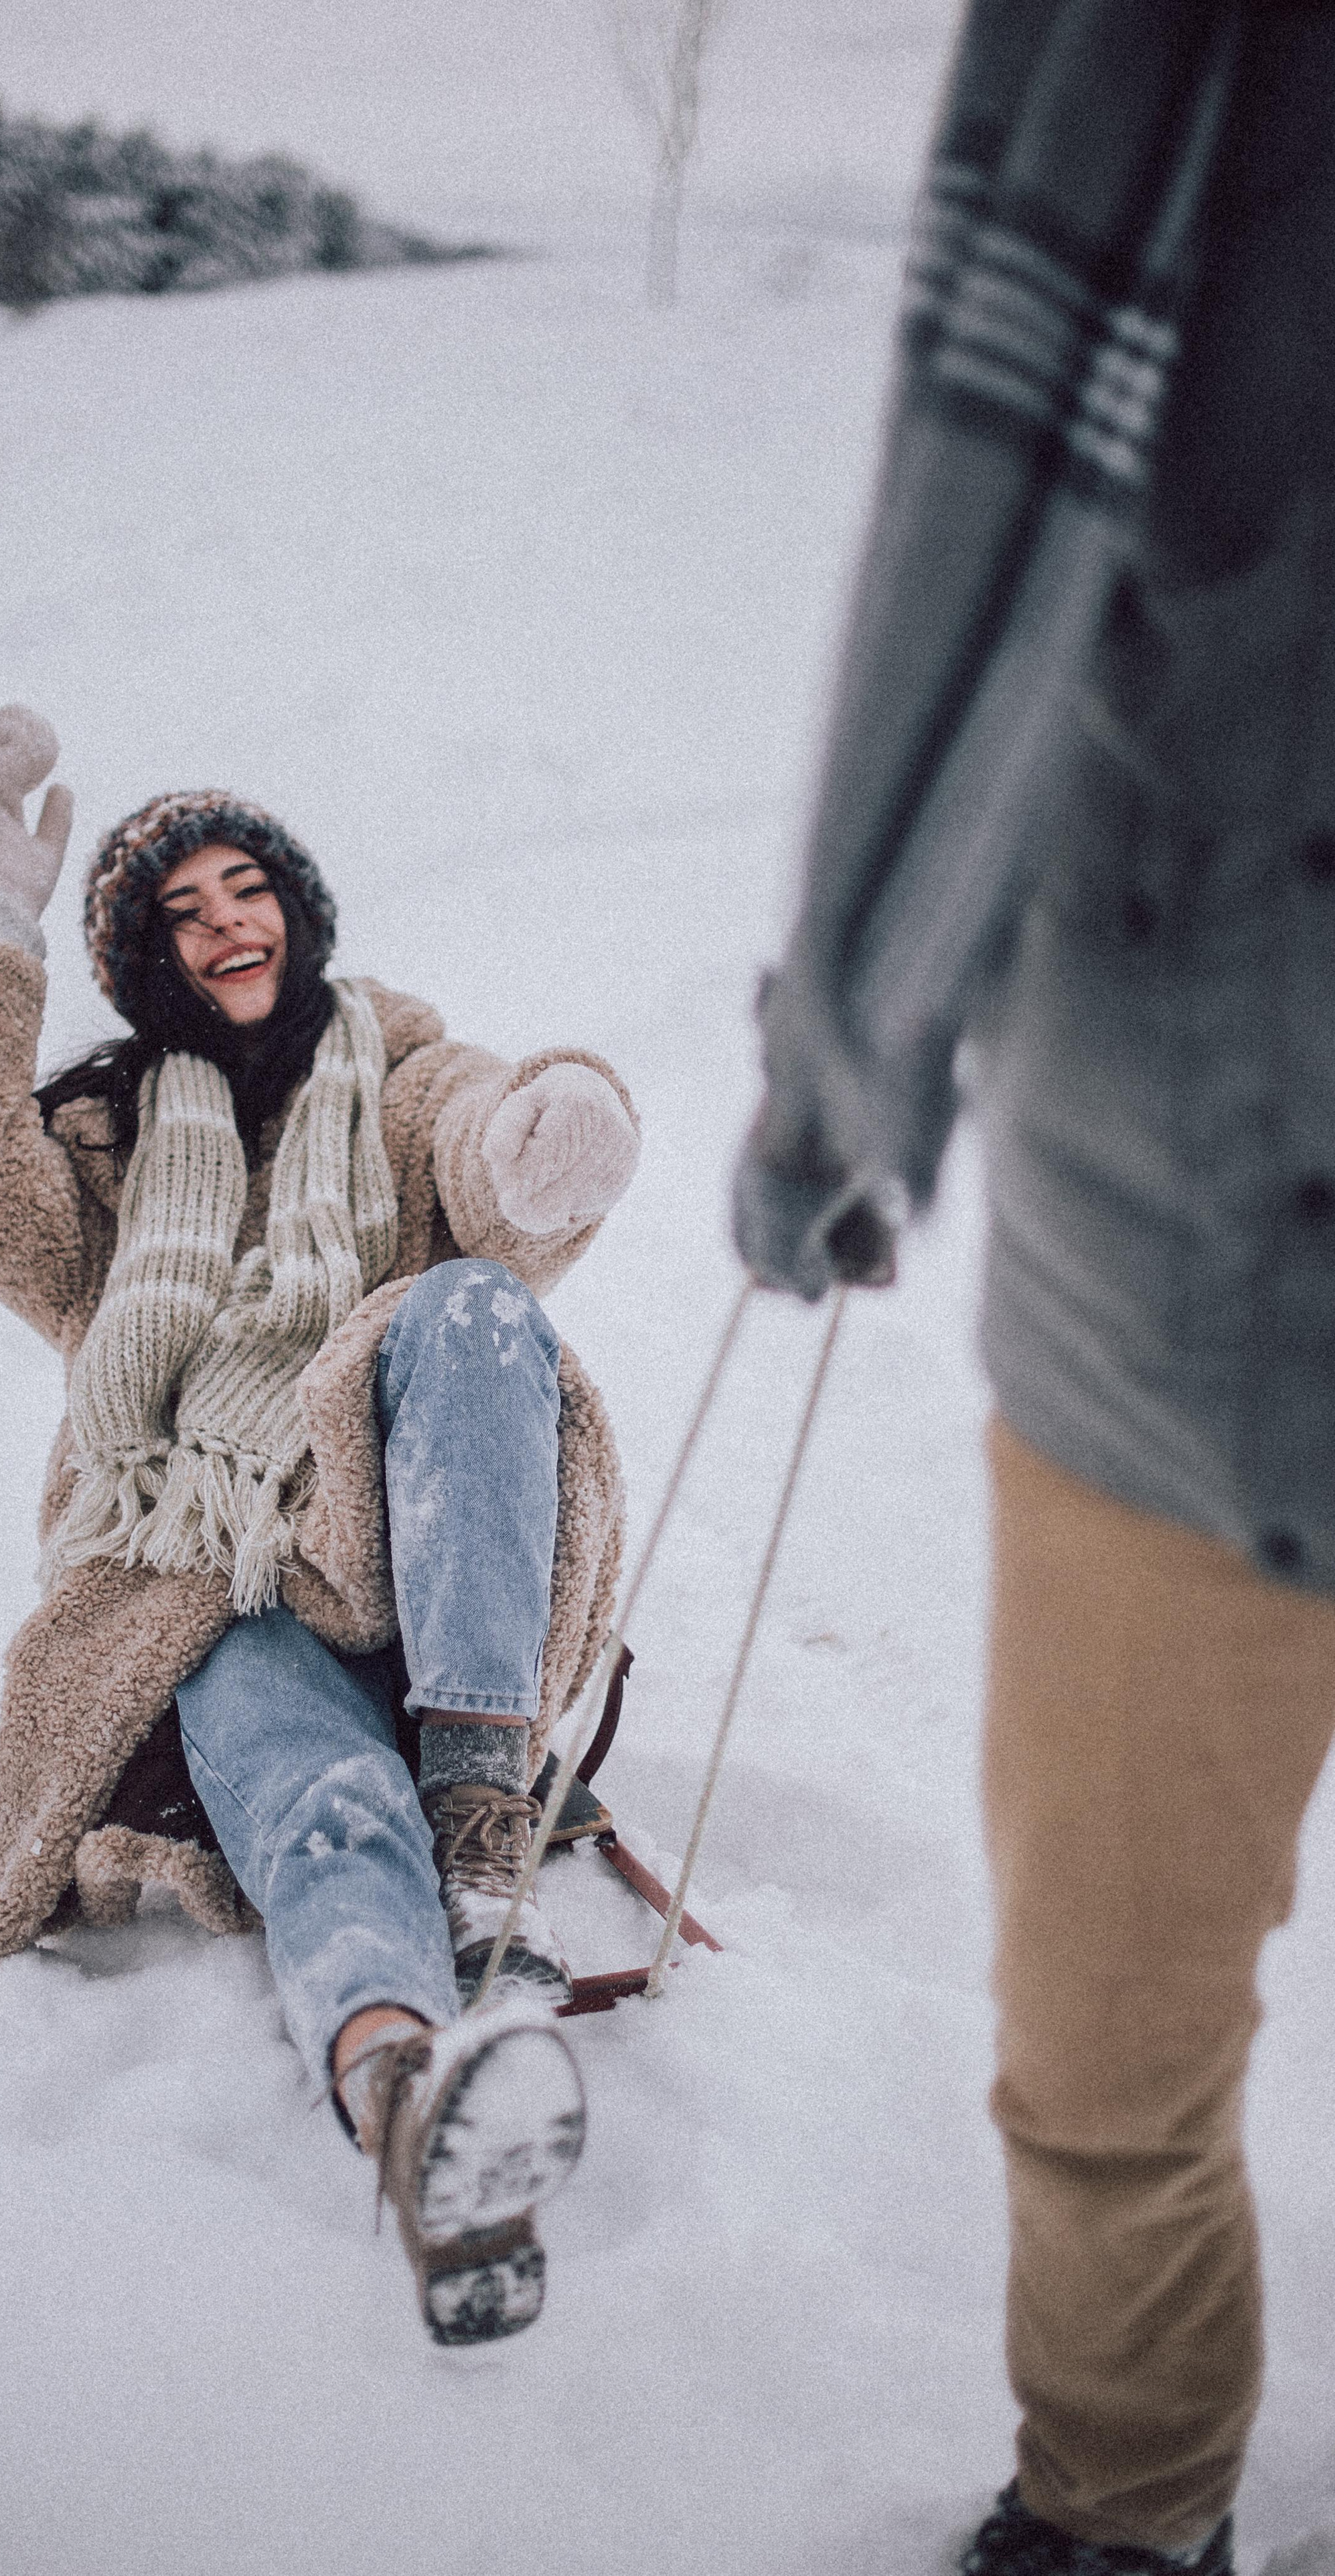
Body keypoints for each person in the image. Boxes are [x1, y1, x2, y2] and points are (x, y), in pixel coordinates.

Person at [733, 5, 1335, 2571]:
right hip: (1170, 1275)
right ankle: (1118, 2515)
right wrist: (852, 1052)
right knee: (1104, 2055)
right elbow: (980, 517)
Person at [0, 704, 641, 2346]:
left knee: (468, 1310)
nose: (226, 921)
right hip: (204, 1583)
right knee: (313, 1787)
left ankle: (485, 1833)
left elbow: (492, 1148)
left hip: (419, 1571)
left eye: (247, 886)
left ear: (296, 904)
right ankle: (408, 2094)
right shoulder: (96, 1160)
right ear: (150, 961)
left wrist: (549, 1131)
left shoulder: (402, 1063)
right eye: (181, 908)